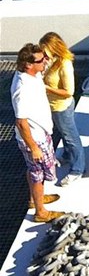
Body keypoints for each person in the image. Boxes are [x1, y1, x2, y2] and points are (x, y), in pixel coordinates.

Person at [11, 43, 63, 222]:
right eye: (41, 60)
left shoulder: (34, 74)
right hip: (35, 139)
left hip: (41, 134)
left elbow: (48, 63)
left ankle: (34, 199)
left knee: (33, 170)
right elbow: (21, 121)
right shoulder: (22, 88)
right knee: (38, 175)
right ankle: (41, 212)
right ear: (28, 65)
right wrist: (33, 147)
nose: (45, 62)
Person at [40, 32, 86, 186]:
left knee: (71, 138)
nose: (43, 55)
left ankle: (78, 169)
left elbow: (69, 92)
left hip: (61, 108)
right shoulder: (51, 61)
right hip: (52, 106)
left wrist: (45, 88)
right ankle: (67, 155)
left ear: (54, 48)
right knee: (63, 133)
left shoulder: (64, 64)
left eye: (45, 51)